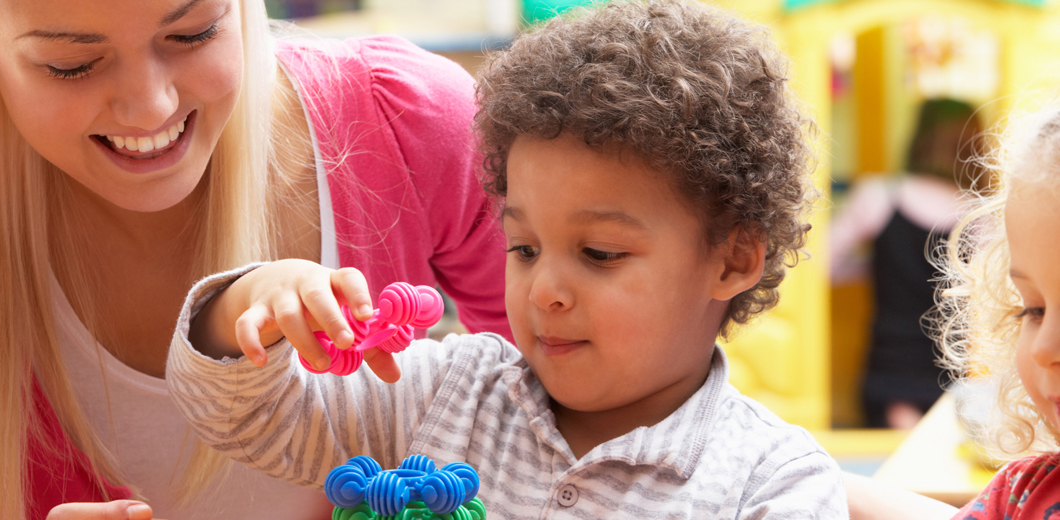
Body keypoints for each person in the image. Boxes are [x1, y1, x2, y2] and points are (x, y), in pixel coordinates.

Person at [165, 1, 849, 517]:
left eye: (599, 253)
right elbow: (242, 419)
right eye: (523, 247)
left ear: (731, 261)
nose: (543, 289)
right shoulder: (446, 389)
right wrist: (252, 300)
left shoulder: (772, 480)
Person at [0, 0, 512, 518]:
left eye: (194, 32)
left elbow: (588, 432)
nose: (150, 108)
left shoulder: (411, 124)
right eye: (71, 64)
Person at [845, 103, 1060, 519]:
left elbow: (828, 260)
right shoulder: (1025, 492)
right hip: (937, 366)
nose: (1043, 347)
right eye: (1032, 309)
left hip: (891, 361)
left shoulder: (878, 197)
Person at [830, 98, 987, 428]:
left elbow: (820, 263)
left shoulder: (880, 196)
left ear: (919, 138)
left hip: (890, 371)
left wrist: (877, 264)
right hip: (957, 372)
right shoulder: (982, 214)